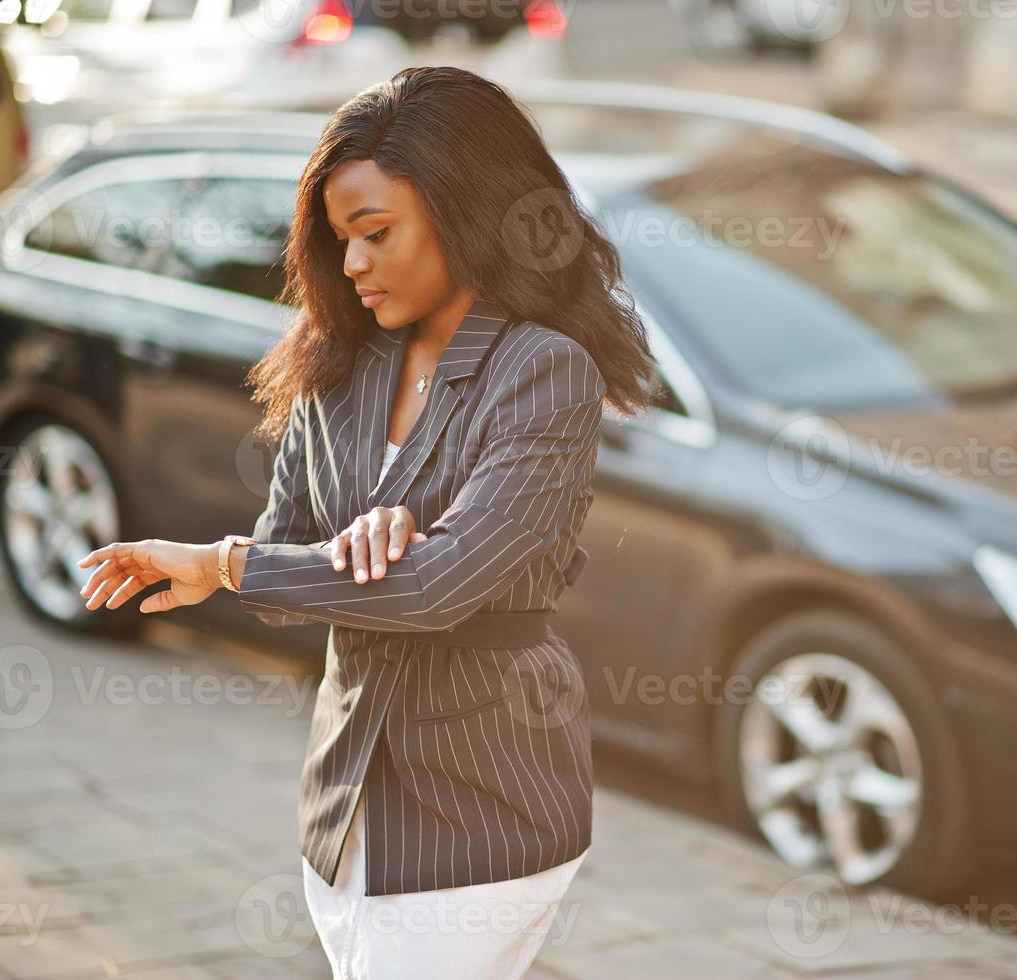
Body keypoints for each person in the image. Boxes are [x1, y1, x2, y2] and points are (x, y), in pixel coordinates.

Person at [75, 65, 658, 979]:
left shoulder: (543, 372)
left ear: (464, 215)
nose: (351, 265)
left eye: (376, 233)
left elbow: (437, 588)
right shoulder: (337, 364)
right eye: (341, 238)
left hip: (483, 804)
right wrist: (329, 550)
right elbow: (286, 564)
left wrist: (224, 563)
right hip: (343, 802)